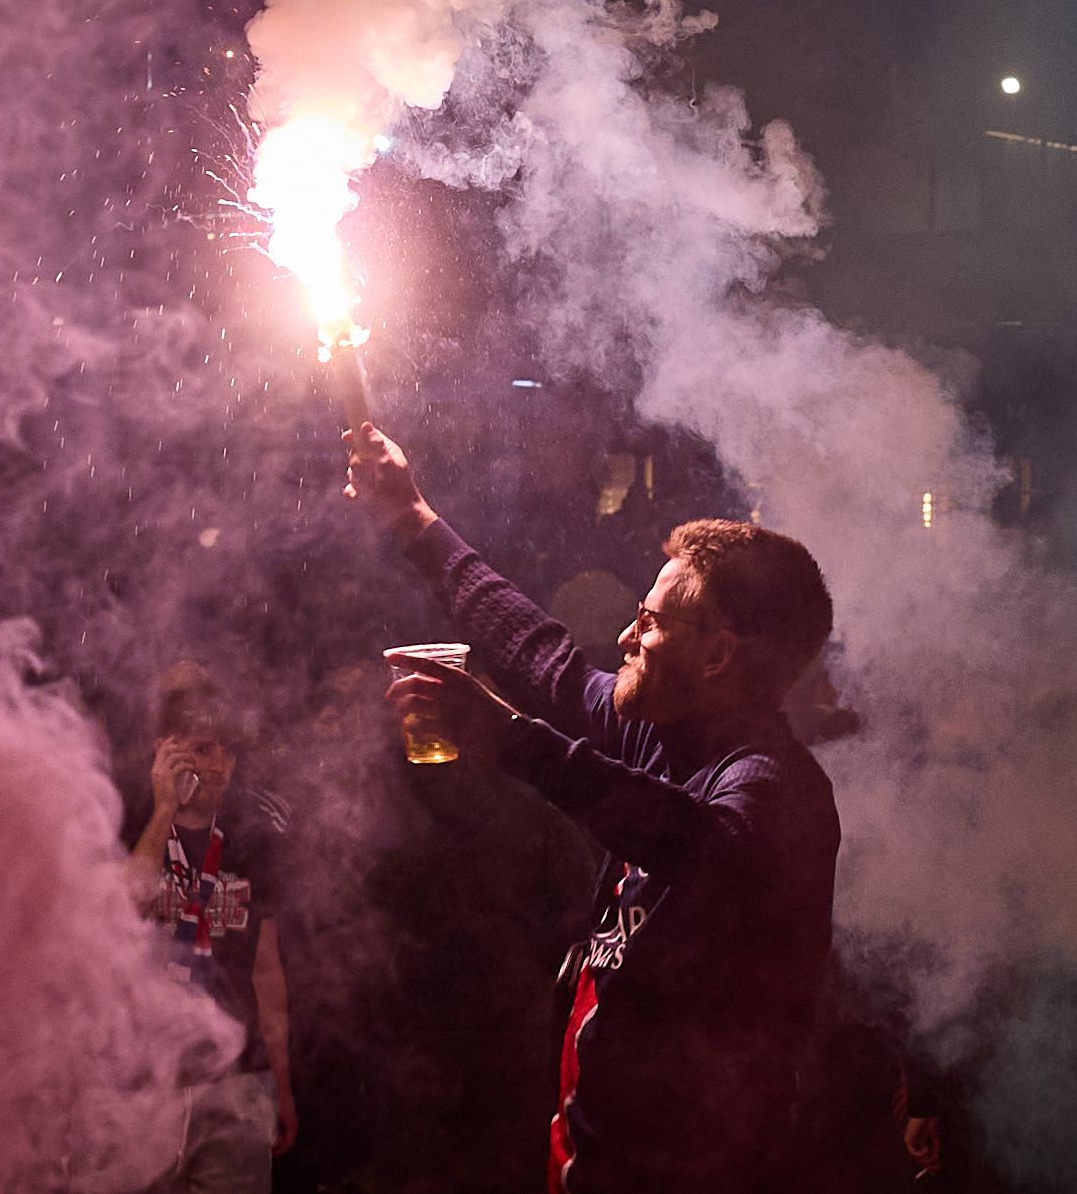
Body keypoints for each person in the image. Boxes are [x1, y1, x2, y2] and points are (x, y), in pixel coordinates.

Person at [345, 423, 844, 1194]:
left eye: (651, 621)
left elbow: (693, 841)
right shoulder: (658, 732)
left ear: (717, 655)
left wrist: (511, 738)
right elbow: (541, 655)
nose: (625, 634)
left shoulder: (776, 790)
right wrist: (412, 517)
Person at [125, 669, 297, 1193]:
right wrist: (164, 810)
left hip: (234, 1077)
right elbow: (121, 910)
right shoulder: (126, 813)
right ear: (163, 749)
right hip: (137, 1076)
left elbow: (266, 968)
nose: (218, 765)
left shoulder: (257, 830)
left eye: (227, 750)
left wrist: (280, 1080)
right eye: (201, 749)